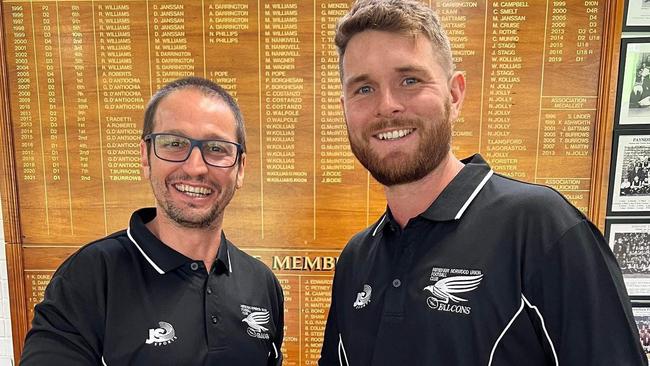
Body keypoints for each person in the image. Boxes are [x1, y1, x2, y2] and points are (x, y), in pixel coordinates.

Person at [319, 1, 646, 365]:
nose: (387, 105)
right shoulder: (356, 258)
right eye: (363, 89)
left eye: (409, 80)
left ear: (454, 95)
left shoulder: (542, 229)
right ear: (345, 107)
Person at [21, 77, 284, 365]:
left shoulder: (262, 284)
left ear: (240, 168)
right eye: (174, 143)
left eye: (216, 148)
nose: (195, 167)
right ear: (145, 157)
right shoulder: (89, 277)